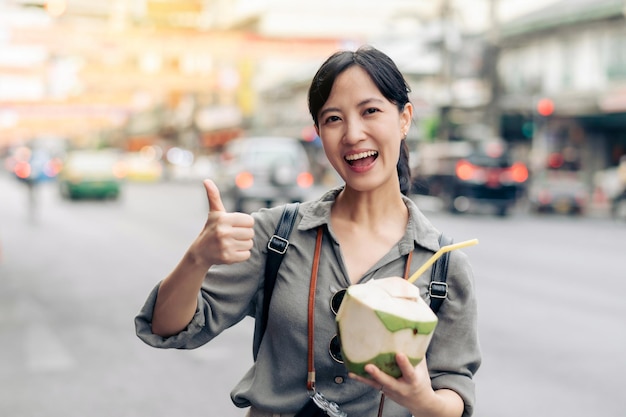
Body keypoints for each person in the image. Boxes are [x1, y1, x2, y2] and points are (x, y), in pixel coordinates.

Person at [135, 45, 481, 417]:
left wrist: (423, 400)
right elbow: (168, 327)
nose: (353, 134)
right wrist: (196, 259)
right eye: (333, 119)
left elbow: (454, 393)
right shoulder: (278, 234)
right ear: (318, 132)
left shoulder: (444, 264)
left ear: (404, 118)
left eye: (371, 111)